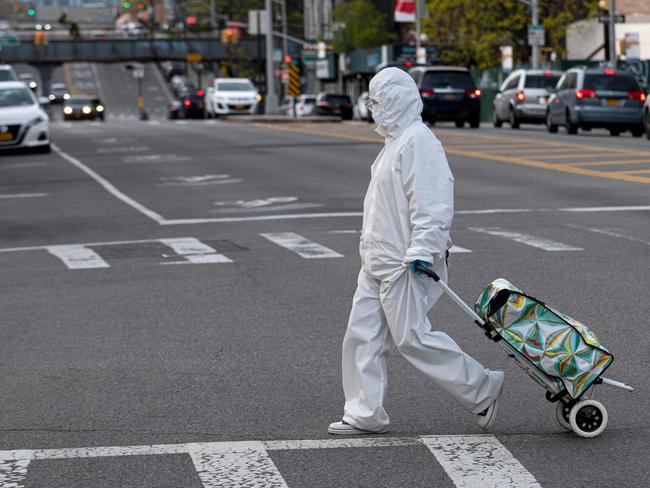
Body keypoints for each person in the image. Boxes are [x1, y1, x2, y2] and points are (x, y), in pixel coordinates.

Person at [328, 68, 505, 435]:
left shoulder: (418, 142)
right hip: (377, 260)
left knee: (413, 338)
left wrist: (423, 249)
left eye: (380, 101)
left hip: (403, 263)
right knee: (362, 336)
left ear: (398, 99)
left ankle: (482, 387)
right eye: (373, 102)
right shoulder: (394, 143)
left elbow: (433, 203)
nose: (376, 109)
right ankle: (364, 412)